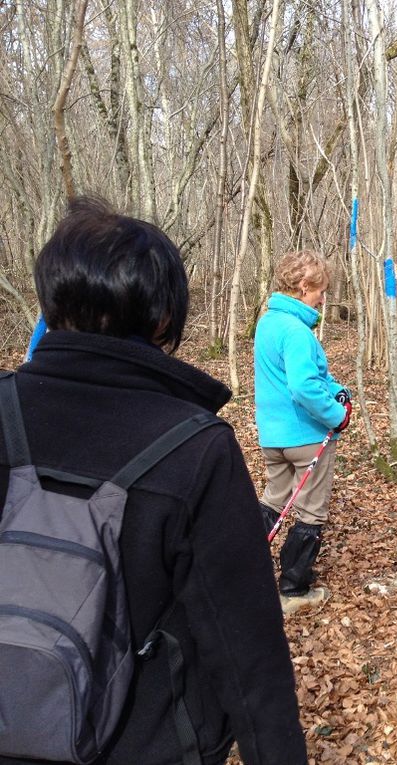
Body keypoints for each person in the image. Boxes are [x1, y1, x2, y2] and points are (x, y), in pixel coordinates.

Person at [0, 197, 308, 764]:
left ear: (51, 303)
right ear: (163, 319)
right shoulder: (195, 447)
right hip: (146, 741)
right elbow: (247, 648)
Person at [254, 251, 352, 615]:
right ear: (302, 287)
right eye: (320, 291)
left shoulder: (268, 323)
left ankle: (245, 569)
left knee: (273, 500)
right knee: (311, 510)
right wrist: (337, 416)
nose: (323, 299)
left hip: (273, 437)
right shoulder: (297, 331)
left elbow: (314, 378)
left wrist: (339, 390)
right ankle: (294, 590)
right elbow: (304, 386)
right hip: (306, 436)